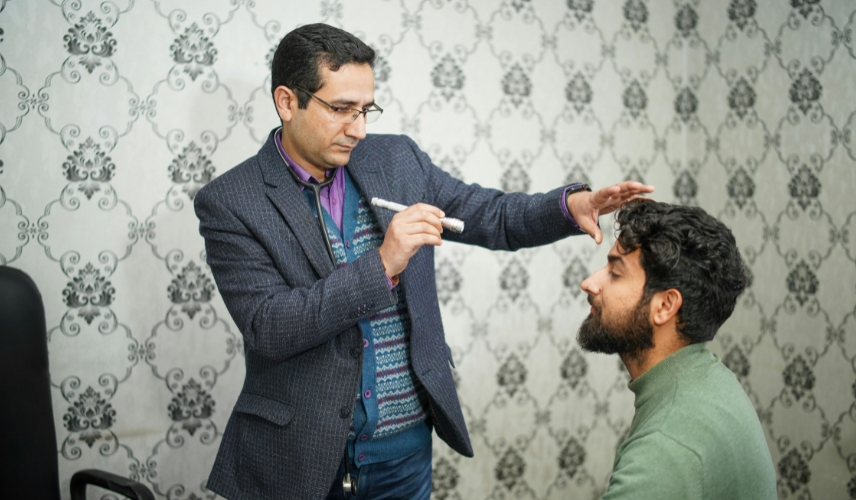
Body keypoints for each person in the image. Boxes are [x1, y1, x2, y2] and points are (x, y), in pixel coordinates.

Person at [194, 22, 653, 500]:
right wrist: (383, 263)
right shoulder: (231, 201)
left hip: (404, 452)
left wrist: (567, 207)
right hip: (297, 460)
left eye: (366, 109)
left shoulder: (396, 160)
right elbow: (269, 327)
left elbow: (488, 215)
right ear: (287, 102)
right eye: (341, 110)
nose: (360, 129)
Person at [577, 199, 777, 499]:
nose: (589, 283)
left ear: (665, 306)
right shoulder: (710, 377)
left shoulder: (664, 448)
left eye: (615, 273)